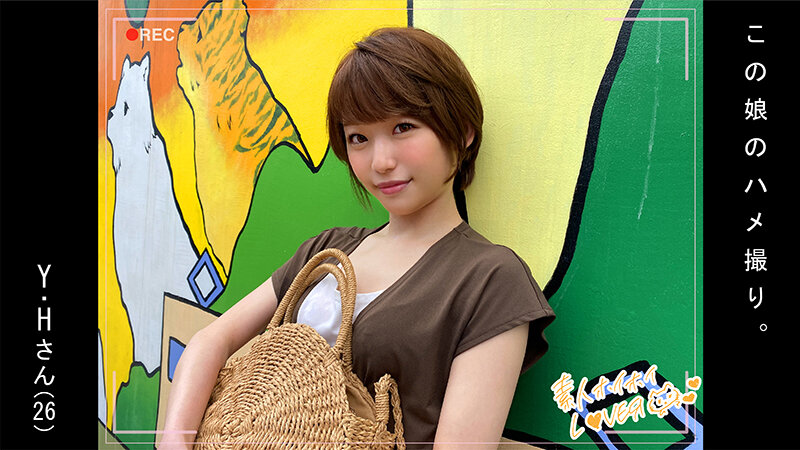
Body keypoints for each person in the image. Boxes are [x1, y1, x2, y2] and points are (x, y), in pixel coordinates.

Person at [162, 27, 555, 449]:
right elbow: (213, 339)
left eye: (403, 127)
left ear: (462, 131)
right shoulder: (328, 250)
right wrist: (174, 440)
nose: (380, 161)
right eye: (359, 138)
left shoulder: (490, 279)